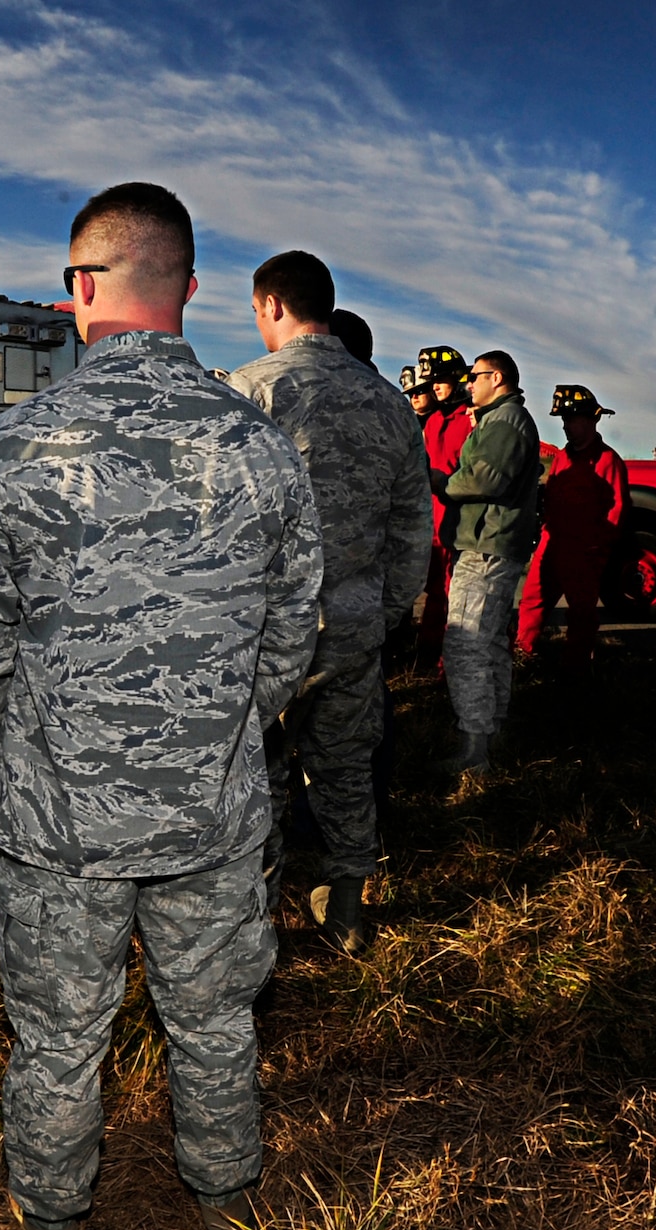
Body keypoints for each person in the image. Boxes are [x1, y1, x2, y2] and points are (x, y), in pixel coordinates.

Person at [0, 183, 321, 1230]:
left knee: (57, 1036)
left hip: (60, 819)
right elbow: (293, 634)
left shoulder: (9, 450)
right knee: (213, 1023)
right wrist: (229, 726)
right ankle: (223, 1204)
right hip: (214, 808)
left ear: (78, 291)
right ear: (189, 288)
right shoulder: (259, 448)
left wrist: (11, 746)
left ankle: (53, 1228)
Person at [227, 254, 427, 952]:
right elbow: (412, 533)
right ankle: (345, 910)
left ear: (274, 303)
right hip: (352, 628)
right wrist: (383, 612)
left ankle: (256, 931)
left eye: (256, 312)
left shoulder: (248, 392)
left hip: (261, 635)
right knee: (344, 769)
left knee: (256, 777)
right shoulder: (391, 405)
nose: (257, 325)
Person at [432, 350, 541, 773]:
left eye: (474, 377)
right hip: (491, 544)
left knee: (466, 645)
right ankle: (492, 732)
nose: (467, 385)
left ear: (496, 378)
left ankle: (473, 751)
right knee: (492, 643)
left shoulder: (505, 421)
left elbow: (484, 478)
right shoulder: (503, 419)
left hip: (487, 546)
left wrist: (441, 481)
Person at [517, 385, 629, 674]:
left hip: (584, 550)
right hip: (552, 543)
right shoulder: (563, 458)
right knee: (533, 598)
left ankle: (575, 667)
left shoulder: (609, 461)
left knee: (581, 611)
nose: (565, 426)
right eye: (563, 420)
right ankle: (522, 651)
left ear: (591, 420)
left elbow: (616, 511)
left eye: (571, 419)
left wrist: (596, 548)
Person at [414, 346, 474, 670]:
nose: (434, 386)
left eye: (440, 380)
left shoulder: (470, 420)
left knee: (459, 597)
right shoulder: (432, 421)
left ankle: (450, 663)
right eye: (431, 381)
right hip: (432, 522)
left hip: (459, 522)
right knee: (435, 591)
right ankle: (427, 652)